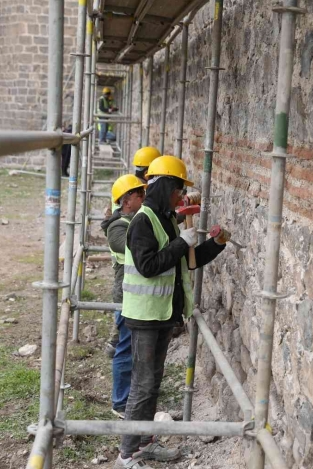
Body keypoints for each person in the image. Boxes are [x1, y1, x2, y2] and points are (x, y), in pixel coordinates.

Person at [114, 156, 228, 469]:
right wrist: (180, 242)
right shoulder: (143, 221)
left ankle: (145, 442)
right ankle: (126, 455)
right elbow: (148, 266)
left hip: (163, 314)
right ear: (165, 186)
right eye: (178, 189)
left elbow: (186, 262)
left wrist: (216, 244)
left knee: (152, 382)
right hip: (145, 316)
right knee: (142, 384)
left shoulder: (164, 218)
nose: (180, 196)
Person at [104, 146, 163, 359]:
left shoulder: (132, 186)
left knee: (126, 315)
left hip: (128, 260)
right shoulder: (134, 191)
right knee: (124, 312)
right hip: (125, 263)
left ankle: (117, 343)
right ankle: (115, 344)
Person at [101, 174, 146, 420]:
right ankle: (120, 403)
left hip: (136, 294)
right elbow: (135, 245)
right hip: (126, 295)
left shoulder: (134, 218)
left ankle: (129, 397)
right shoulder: (118, 227)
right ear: (127, 200)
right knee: (125, 349)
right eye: (140, 194)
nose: (144, 197)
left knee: (131, 347)